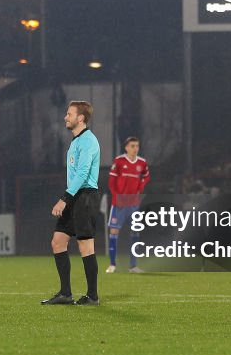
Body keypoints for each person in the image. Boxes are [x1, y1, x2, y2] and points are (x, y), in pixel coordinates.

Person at [42, 101, 102, 306]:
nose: (65, 117)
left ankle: (92, 296)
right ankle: (65, 294)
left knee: (85, 245)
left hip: (85, 197)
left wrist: (64, 199)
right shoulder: (76, 141)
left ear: (81, 118)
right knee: (58, 241)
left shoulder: (88, 141)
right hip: (74, 195)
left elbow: (84, 173)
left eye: (69, 114)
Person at [105, 136, 150, 273]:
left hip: (133, 204)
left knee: (135, 232)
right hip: (119, 203)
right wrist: (116, 196)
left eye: (137, 146)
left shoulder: (142, 163)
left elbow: (146, 176)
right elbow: (111, 181)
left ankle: (133, 266)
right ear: (126, 147)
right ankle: (112, 264)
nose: (135, 148)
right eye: (132, 146)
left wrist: (141, 186)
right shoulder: (119, 161)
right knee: (114, 231)